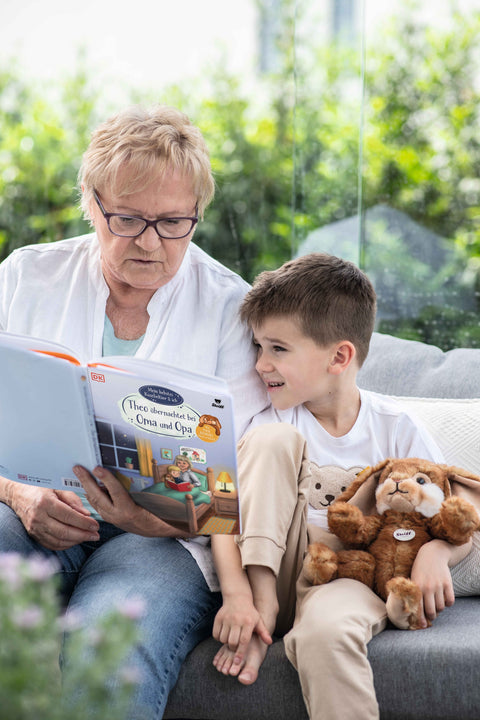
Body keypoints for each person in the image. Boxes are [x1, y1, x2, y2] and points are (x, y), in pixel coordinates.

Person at [0, 105, 267, 719]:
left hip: (166, 542)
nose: (150, 242)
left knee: (109, 651)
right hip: (34, 510)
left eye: (174, 222)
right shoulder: (26, 276)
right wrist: (18, 494)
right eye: (128, 219)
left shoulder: (231, 309)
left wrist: (162, 520)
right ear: (91, 204)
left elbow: (248, 473)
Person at [211, 253, 476, 720]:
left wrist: (438, 553)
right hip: (271, 565)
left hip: (347, 576)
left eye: (277, 349)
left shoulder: (396, 426)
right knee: (271, 441)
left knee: (323, 636)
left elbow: (457, 515)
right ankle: (264, 608)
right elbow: (220, 508)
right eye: (257, 347)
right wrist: (239, 595)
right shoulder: (266, 416)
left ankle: (281, 626)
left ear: (339, 356)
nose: (259, 365)